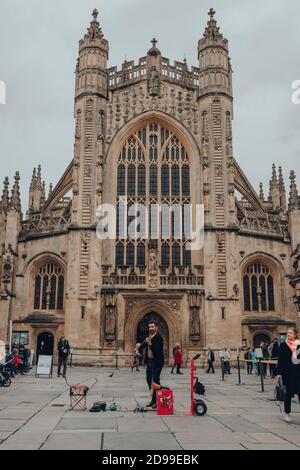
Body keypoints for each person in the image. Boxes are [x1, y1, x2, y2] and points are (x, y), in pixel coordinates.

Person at [139, 321, 164, 410]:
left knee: (155, 380)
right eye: (149, 327)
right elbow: (144, 343)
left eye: (152, 327)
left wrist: (150, 344)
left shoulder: (158, 337)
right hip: (149, 361)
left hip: (157, 362)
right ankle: (154, 398)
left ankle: (156, 401)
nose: (150, 328)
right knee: (149, 379)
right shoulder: (150, 337)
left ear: (156, 328)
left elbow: (157, 350)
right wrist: (138, 347)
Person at [277, 327, 300, 422]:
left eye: (290, 333)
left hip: (299, 373)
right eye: (287, 333)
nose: (288, 334)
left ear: (295, 334)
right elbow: (280, 360)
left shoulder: (299, 345)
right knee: (288, 395)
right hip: (288, 373)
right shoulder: (283, 345)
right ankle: (287, 413)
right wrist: (279, 373)